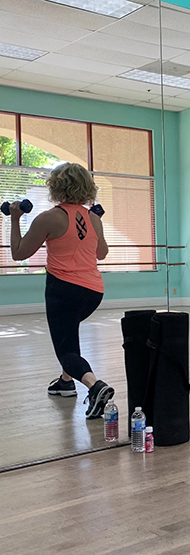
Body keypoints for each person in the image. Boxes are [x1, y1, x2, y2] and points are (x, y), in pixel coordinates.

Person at [9, 162, 114, 419]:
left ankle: (94, 385)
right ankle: (66, 381)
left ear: (56, 186)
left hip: (64, 290)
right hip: (93, 292)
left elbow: (18, 253)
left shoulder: (48, 218)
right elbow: (102, 253)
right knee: (69, 333)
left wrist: (14, 219)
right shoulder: (93, 218)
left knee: (65, 350)